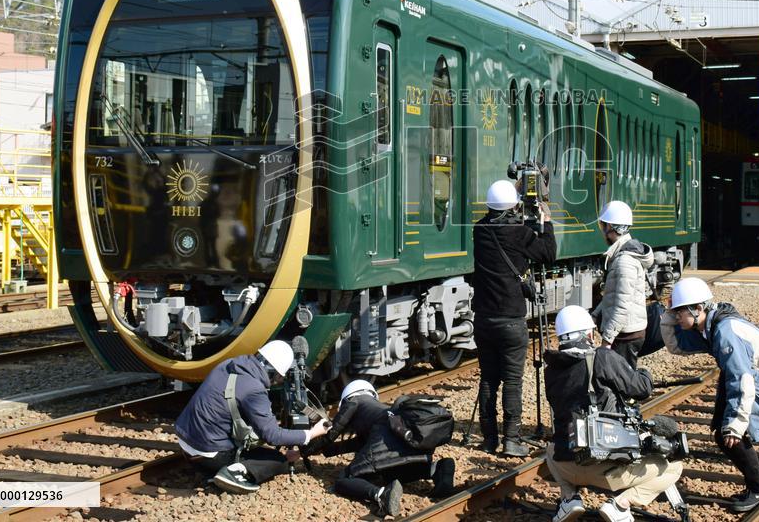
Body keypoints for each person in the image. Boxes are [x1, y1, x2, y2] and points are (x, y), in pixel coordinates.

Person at [544, 305, 683, 522]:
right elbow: (641, 389)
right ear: (588, 334)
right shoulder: (602, 357)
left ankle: (570, 498)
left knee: (550, 448)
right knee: (673, 467)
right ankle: (621, 505)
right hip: (608, 471)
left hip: (568, 467)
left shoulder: (550, 371)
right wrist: (643, 373)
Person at [661, 277, 759, 513]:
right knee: (721, 429)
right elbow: (677, 345)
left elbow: (743, 380)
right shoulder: (710, 325)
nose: (676, 316)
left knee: (732, 434)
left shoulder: (725, 332)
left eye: (679, 311)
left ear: (698, 309)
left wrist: (736, 424)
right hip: (751, 376)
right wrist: (668, 314)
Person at [175, 339, 331, 493]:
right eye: (280, 377)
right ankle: (234, 472)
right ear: (275, 373)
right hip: (208, 454)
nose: (279, 381)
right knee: (278, 460)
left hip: (184, 439)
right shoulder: (254, 389)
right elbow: (273, 437)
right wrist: (312, 433)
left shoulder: (229, 364)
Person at [470, 178, 556, 457]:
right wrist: (547, 222)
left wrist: (513, 197)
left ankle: (489, 439)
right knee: (513, 382)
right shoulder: (519, 233)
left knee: (488, 380)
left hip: (483, 319)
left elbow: (497, 222)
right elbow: (548, 254)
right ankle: (512, 439)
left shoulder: (479, 230)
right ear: (513, 207)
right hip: (511, 320)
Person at [310, 380, 456, 517]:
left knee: (345, 479)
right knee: (388, 472)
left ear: (346, 398)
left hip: (385, 440)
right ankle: (437, 468)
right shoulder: (377, 409)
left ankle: (381, 495)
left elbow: (331, 433)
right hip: (408, 440)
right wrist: (326, 451)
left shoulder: (353, 401)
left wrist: (304, 449)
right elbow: (360, 443)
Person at [592, 200, 655, 368]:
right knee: (621, 381)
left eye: (603, 226)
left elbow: (622, 305)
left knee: (622, 384)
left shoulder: (624, 262)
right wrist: (594, 315)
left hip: (627, 335)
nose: (602, 231)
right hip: (626, 331)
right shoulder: (621, 255)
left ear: (611, 228)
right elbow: (613, 296)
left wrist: (607, 340)